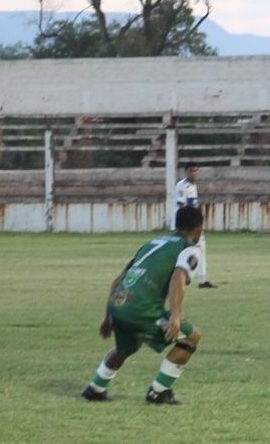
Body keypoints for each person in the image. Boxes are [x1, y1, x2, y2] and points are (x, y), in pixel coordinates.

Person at [81, 206, 204, 404]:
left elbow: (119, 279)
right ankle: (159, 391)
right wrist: (174, 315)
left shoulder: (153, 242)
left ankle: (95, 387)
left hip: (118, 303)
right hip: (140, 308)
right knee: (192, 337)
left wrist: (108, 315)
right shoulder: (189, 248)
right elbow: (178, 278)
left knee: (126, 346)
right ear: (198, 229)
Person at [174, 162, 216, 288]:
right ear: (185, 171)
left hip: (194, 225)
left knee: (200, 249)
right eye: (191, 171)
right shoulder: (182, 186)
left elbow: (193, 205)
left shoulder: (193, 186)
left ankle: (202, 280)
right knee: (187, 251)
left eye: (195, 171)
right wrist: (188, 225)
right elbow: (181, 206)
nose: (194, 173)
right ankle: (183, 276)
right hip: (186, 226)